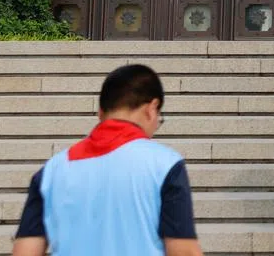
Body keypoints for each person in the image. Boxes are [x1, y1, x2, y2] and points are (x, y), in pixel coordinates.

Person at [11, 65, 201, 256]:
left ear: (100, 112)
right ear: (152, 109)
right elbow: (184, 252)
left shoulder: (52, 171)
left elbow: (25, 252)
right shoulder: (165, 165)